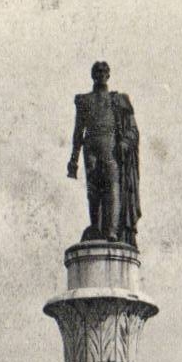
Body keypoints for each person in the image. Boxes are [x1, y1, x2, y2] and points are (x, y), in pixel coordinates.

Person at [67, 61, 141, 246]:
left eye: (104, 72)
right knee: (93, 191)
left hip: (111, 147)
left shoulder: (118, 99)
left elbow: (133, 129)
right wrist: (74, 159)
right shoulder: (84, 101)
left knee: (112, 186)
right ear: (93, 75)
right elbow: (78, 131)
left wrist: (125, 142)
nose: (100, 74)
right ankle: (96, 227)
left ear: (108, 75)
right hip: (90, 148)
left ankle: (112, 231)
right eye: (97, 71)